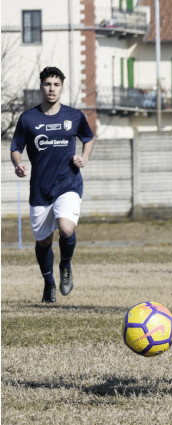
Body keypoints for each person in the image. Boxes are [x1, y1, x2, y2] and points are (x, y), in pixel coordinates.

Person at [10, 66, 95, 303]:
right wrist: (18, 164)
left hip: (68, 183)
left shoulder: (74, 116)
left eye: (56, 85)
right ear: (41, 86)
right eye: (48, 84)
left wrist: (84, 158)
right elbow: (16, 148)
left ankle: (65, 265)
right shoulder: (28, 118)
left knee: (66, 228)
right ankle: (48, 282)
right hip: (40, 189)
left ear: (62, 88)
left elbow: (88, 139)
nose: (51, 89)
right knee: (43, 241)